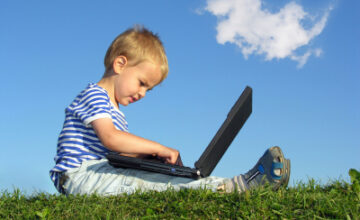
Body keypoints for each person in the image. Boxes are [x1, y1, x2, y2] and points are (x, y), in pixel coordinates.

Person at [50, 25, 290, 195]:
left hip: (100, 171)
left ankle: (216, 183)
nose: (142, 94)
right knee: (153, 186)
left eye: (148, 90)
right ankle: (238, 186)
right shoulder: (94, 95)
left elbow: (118, 152)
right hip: (81, 177)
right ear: (120, 64)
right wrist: (159, 148)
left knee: (164, 178)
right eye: (142, 83)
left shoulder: (113, 110)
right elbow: (111, 139)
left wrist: (151, 159)